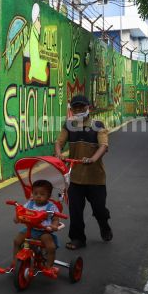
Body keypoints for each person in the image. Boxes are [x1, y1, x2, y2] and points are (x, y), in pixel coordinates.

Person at [55, 95, 111, 250]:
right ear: (71, 110)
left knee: (99, 209)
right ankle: (77, 239)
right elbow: (59, 142)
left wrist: (93, 159)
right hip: (75, 178)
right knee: (75, 211)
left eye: (82, 107)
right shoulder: (68, 125)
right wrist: (59, 153)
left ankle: (104, 225)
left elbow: (103, 146)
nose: (79, 110)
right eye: (76, 108)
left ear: (89, 108)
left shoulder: (98, 125)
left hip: (96, 178)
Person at [11, 180, 60, 277]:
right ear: (32, 193)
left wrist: (54, 225)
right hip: (30, 229)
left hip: (44, 231)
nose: (38, 196)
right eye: (35, 193)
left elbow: (55, 218)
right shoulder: (30, 204)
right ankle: (15, 261)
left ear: (49, 196)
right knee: (17, 241)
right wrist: (17, 217)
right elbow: (21, 212)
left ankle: (49, 266)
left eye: (42, 194)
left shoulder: (51, 207)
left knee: (51, 247)